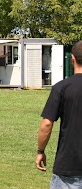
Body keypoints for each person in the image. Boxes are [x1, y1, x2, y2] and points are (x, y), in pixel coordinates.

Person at [36, 40, 82, 187]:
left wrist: (40, 150)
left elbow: (47, 123)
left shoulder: (61, 88)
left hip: (70, 165)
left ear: (72, 58)